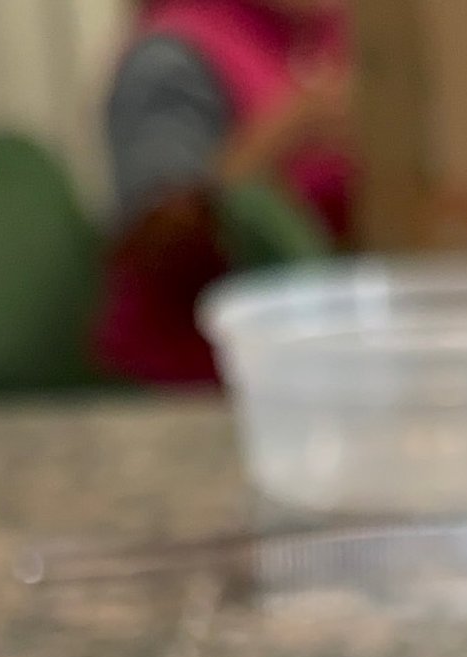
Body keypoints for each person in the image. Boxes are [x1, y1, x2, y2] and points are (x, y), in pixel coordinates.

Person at [96, 0, 353, 385]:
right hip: (200, 374)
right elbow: (158, 239)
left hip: (323, 356)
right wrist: (287, 132)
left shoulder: (337, 38)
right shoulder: (173, 56)